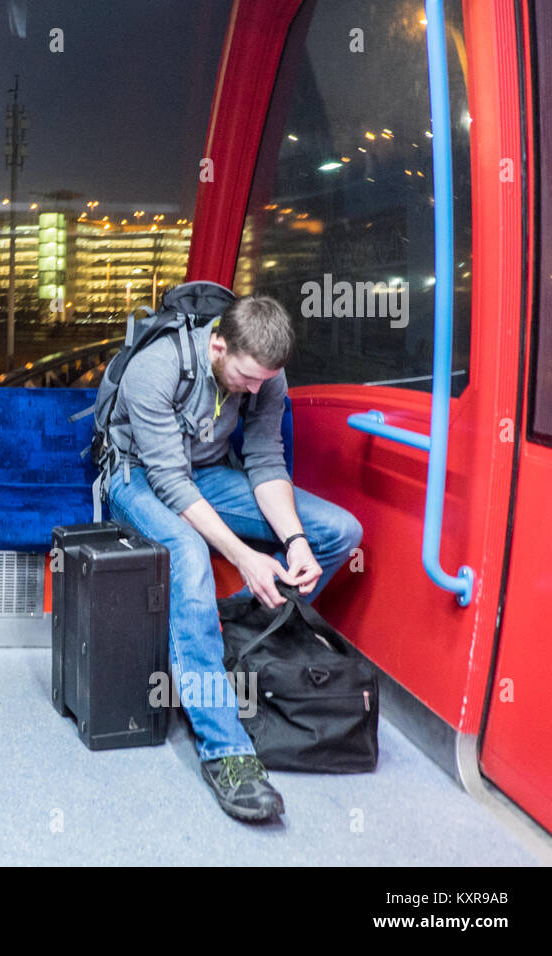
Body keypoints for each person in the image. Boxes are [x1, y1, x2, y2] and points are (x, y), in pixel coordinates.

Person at [105, 294, 362, 823]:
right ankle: (227, 752)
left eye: (265, 380)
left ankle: (215, 634)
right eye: (247, 378)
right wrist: (246, 557)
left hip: (209, 475)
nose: (255, 389)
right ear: (218, 346)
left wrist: (294, 541)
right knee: (189, 554)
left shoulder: (265, 376)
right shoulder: (155, 368)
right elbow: (169, 482)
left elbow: (266, 462)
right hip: (137, 478)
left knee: (339, 532)